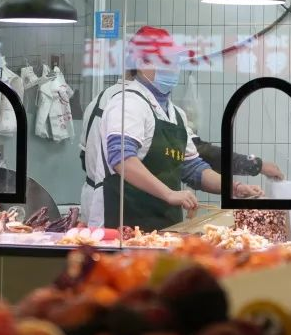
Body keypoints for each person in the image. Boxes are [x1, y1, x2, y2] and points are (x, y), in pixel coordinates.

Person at [87, 26, 269, 230]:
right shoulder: (128, 102)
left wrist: (234, 187)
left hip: (165, 230)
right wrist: (169, 194)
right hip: (122, 228)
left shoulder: (176, 114)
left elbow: (193, 169)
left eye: (175, 60)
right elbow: (121, 158)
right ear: (141, 62)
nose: (173, 67)